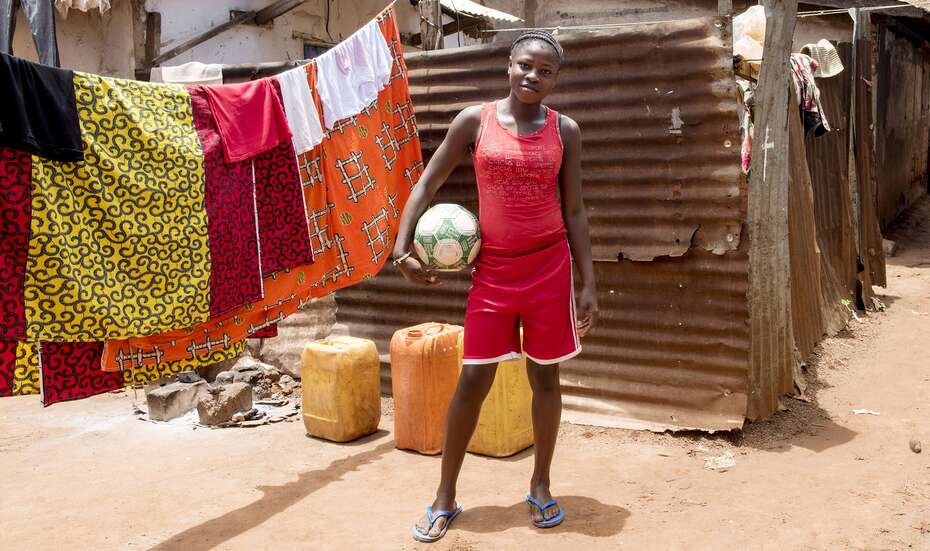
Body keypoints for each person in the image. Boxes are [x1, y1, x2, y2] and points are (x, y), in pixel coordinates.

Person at [391, 29, 597, 543]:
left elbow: (574, 210)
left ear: (555, 79)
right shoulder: (472, 121)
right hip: (494, 273)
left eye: (545, 71)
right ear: (508, 65)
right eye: (525, 66)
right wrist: (400, 249)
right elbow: (426, 183)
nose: (533, 76)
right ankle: (445, 495)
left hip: (549, 269)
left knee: (545, 380)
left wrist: (587, 281)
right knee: (473, 381)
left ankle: (541, 485)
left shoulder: (565, 131)